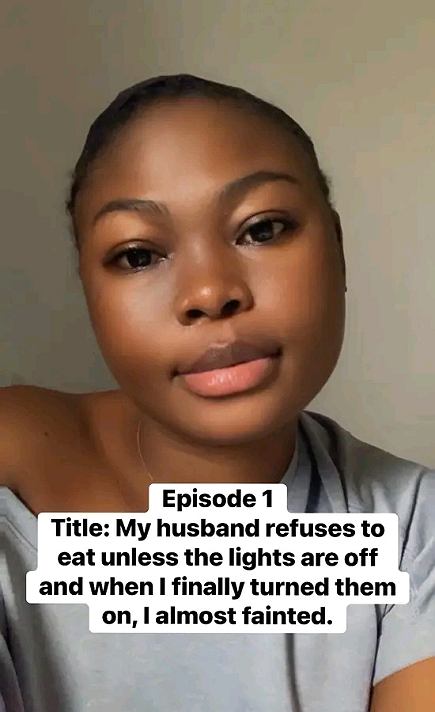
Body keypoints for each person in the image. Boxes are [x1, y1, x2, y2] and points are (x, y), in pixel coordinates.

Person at [0, 73, 434, 712]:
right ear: (89, 293)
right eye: (138, 256)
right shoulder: (13, 477)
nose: (209, 292)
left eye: (262, 228)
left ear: (338, 249)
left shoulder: (412, 526)